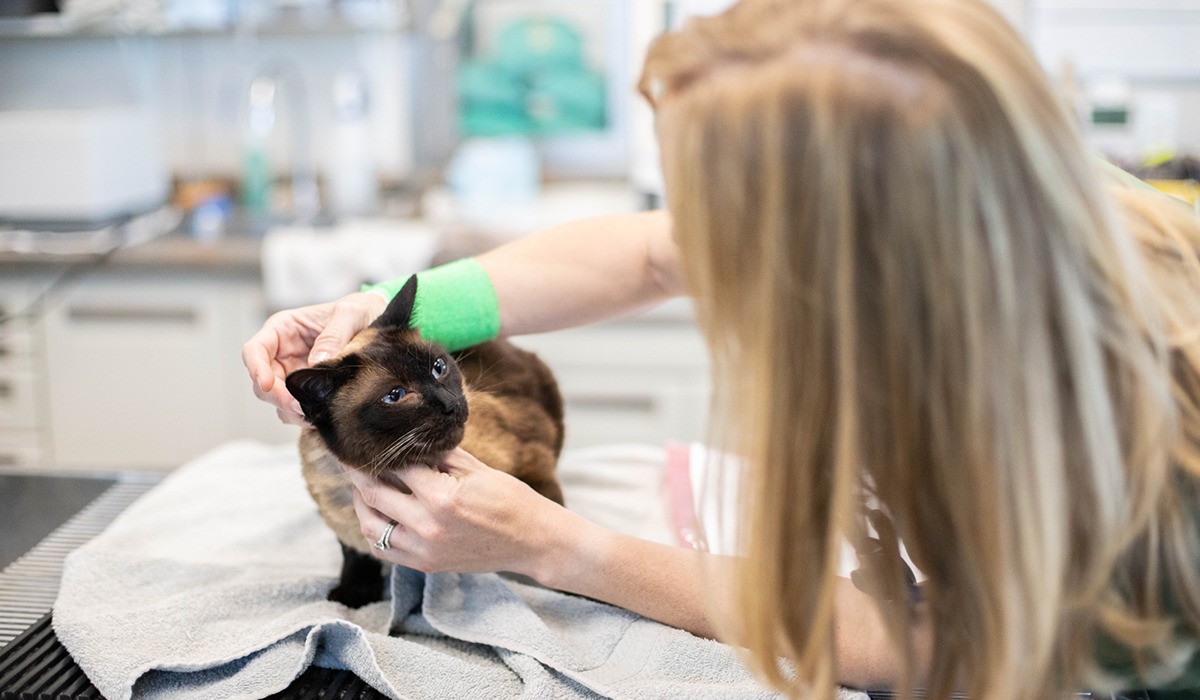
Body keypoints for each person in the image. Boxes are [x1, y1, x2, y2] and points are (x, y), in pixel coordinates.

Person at [243, 0, 1200, 697]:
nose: (696, 238)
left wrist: (560, 546)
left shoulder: (1098, 425)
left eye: (720, 208)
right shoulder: (984, 204)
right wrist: (383, 308)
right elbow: (651, 254)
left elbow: (942, 650)